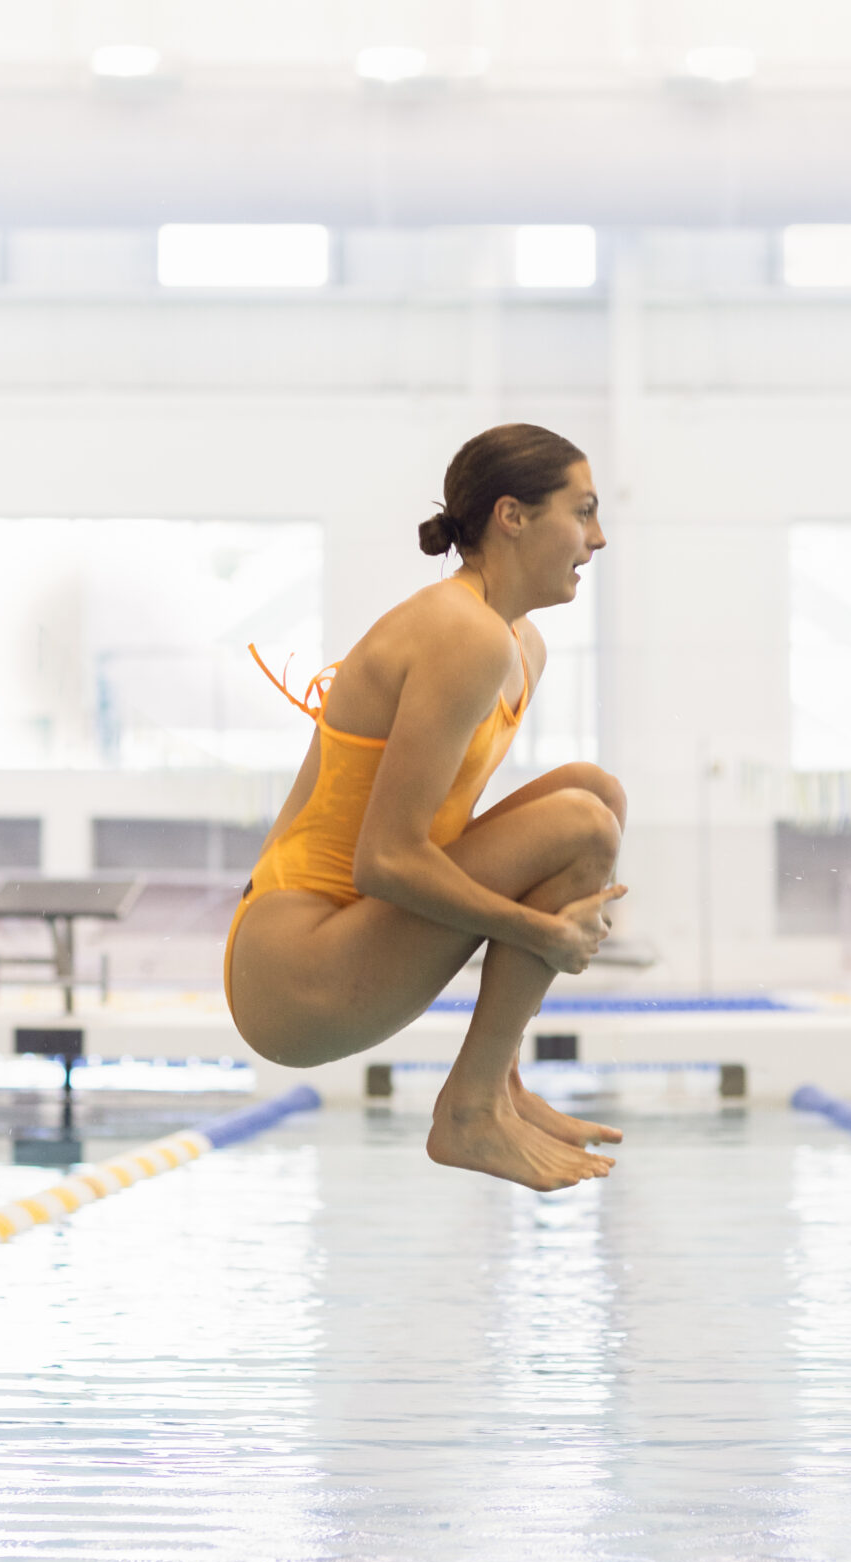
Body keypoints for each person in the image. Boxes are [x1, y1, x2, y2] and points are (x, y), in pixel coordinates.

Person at [223, 424, 629, 1192]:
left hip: (339, 942)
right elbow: (388, 860)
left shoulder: (516, 642)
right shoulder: (462, 633)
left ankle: (493, 1088)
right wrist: (542, 931)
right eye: (582, 512)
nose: (598, 538)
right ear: (513, 515)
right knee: (581, 822)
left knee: (596, 791)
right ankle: (470, 1110)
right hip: (290, 971)